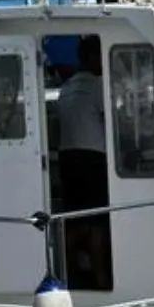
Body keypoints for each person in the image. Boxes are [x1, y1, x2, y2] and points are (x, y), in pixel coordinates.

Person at [56, 35, 111, 290]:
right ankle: (102, 278)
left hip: (67, 159)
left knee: (74, 219)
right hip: (93, 158)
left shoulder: (66, 87)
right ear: (92, 57)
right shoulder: (99, 85)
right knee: (97, 221)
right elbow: (112, 118)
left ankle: (71, 275)